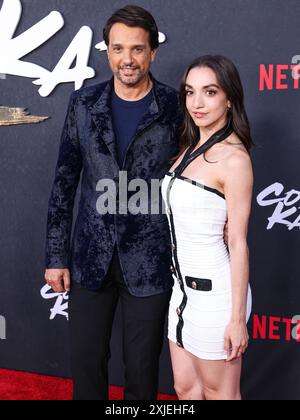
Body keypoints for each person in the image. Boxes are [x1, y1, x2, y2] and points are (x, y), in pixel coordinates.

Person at [44, 5, 181, 400]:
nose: (127, 59)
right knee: (86, 365)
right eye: (118, 49)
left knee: (141, 371)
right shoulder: (83, 104)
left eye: (137, 49)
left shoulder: (174, 108)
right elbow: (64, 182)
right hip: (90, 257)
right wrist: (56, 255)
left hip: (151, 259)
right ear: (107, 52)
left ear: (153, 52)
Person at [161, 55, 253, 401]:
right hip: (181, 291)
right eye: (190, 92)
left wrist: (236, 318)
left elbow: (239, 242)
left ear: (229, 98)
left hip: (217, 296)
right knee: (185, 389)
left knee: (220, 394)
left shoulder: (234, 159)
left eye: (209, 92)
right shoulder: (189, 147)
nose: (196, 103)